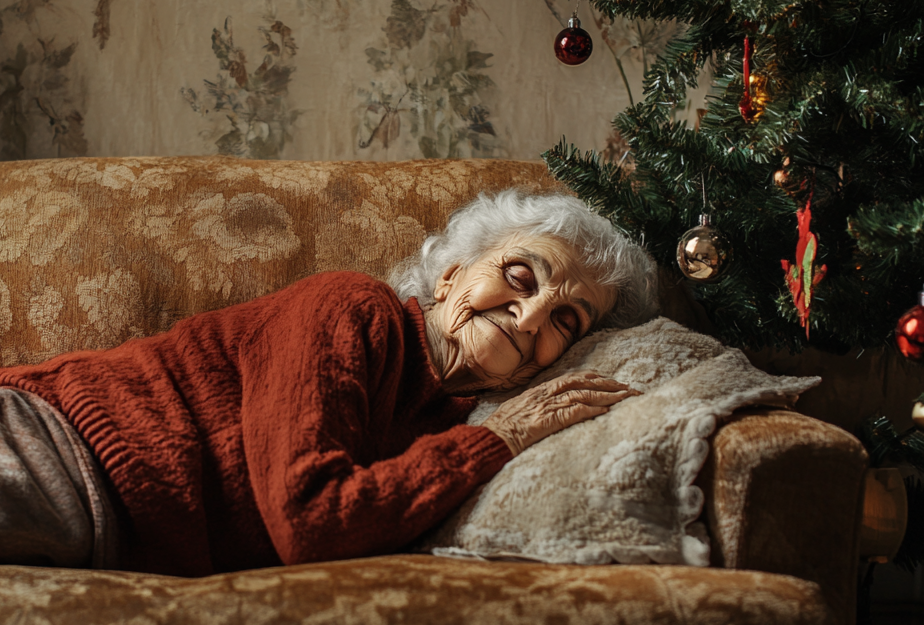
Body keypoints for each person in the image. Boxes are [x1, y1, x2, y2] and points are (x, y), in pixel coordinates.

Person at [0, 190, 658, 577]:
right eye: (520, 277)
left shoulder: (458, 421)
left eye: (565, 321)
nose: (532, 313)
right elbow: (310, 520)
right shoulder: (353, 308)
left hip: (96, 524)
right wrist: (502, 440)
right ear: (450, 275)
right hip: (47, 443)